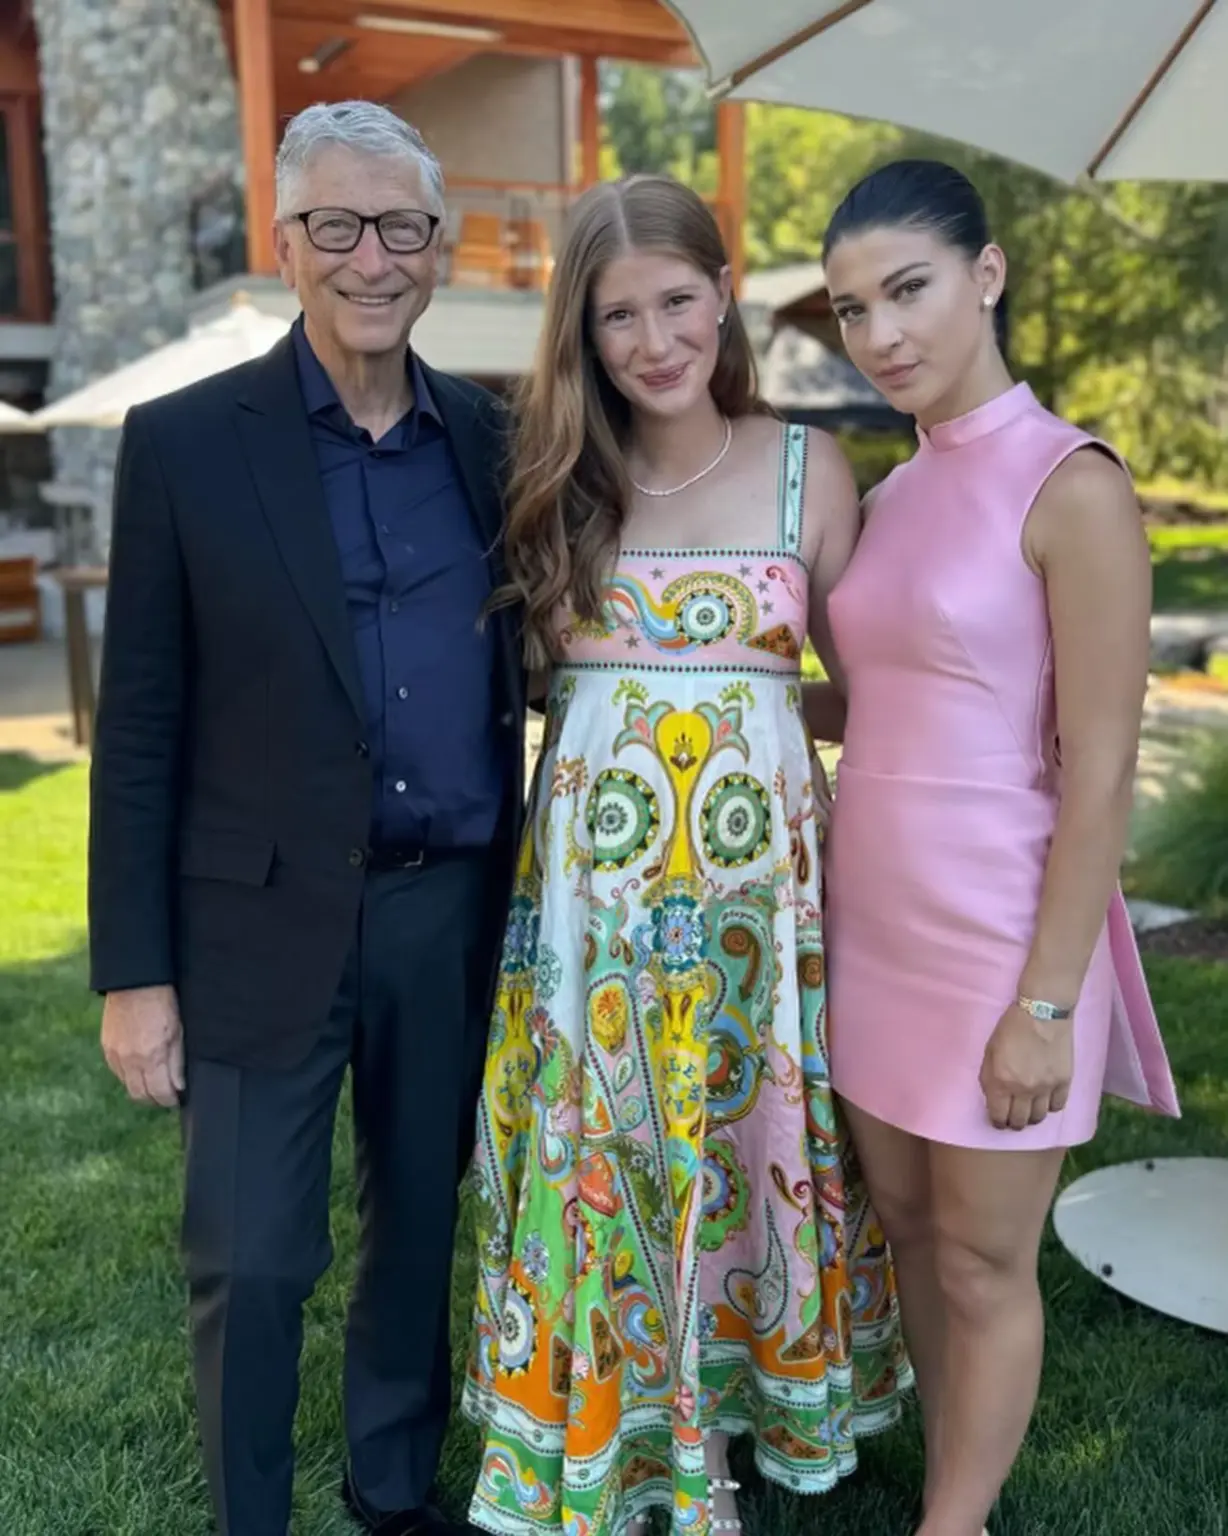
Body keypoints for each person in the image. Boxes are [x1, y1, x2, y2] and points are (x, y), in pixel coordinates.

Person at [89, 101, 524, 1536]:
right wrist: (134, 974)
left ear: (439, 248)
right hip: (255, 916)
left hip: (443, 907)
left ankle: (393, 1492)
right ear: (286, 247)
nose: (371, 258)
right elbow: (137, 728)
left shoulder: (495, 439)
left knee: (417, 1228)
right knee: (253, 1254)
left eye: (401, 227)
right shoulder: (184, 445)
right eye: (336, 225)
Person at [459, 174, 909, 1536]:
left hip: (758, 907)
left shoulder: (810, 468)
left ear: (723, 295)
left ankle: (737, 1418)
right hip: (592, 913)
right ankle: (617, 1431)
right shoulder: (558, 482)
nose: (653, 341)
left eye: (675, 302)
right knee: (610, 1149)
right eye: (617, 316)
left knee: (743, 1142)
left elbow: (871, 693)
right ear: (581, 332)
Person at [815, 158, 1181, 1536]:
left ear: (987, 274)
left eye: (906, 290)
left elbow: (1103, 773)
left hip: (1000, 938)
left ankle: (952, 1525)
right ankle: (946, 1481)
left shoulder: (1072, 484)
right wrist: (699, 682)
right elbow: (883, 698)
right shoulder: (893, 494)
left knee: (982, 1258)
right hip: (871, 923)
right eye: (853, 310)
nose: (881, 333)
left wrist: (1048, 1003)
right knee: (910, 1232)